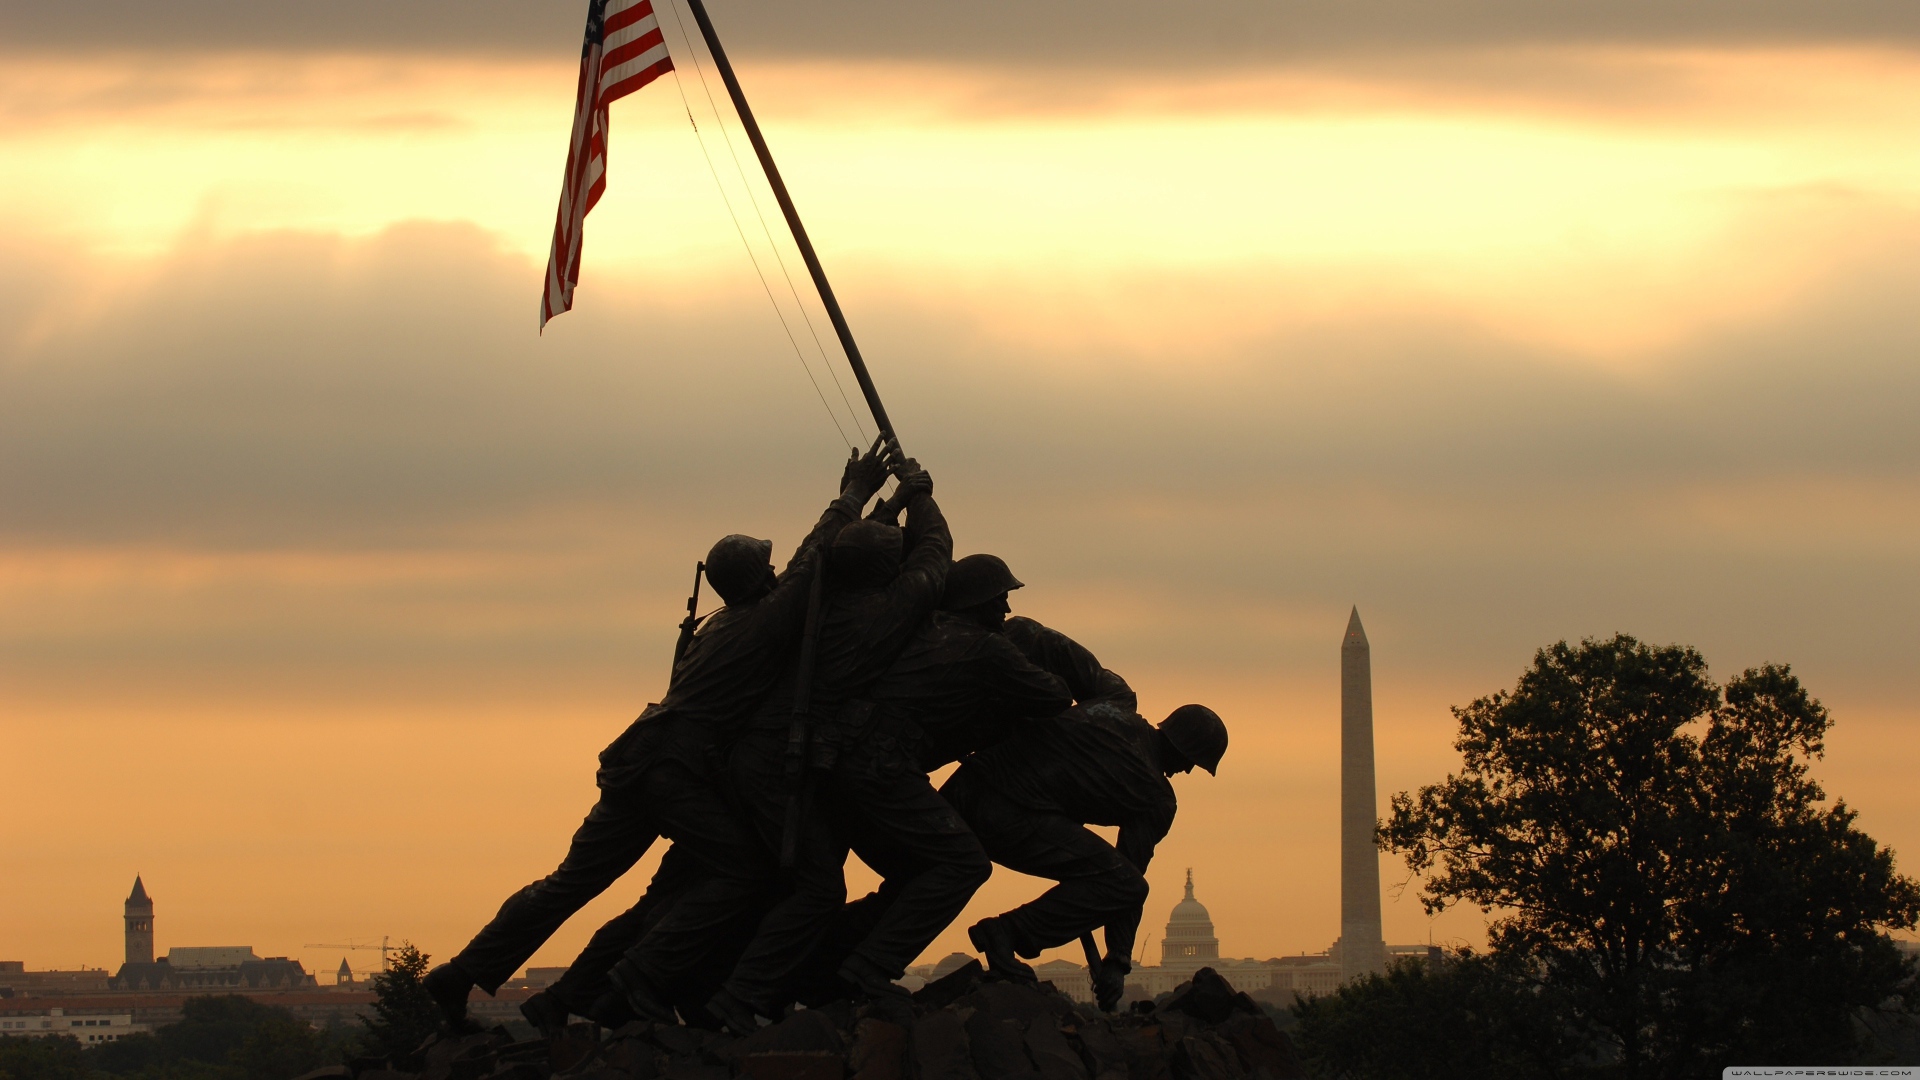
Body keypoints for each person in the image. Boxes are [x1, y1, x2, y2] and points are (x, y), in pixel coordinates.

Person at [421, 449, 892, 1031]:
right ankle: (637, 978)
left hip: (637, 758)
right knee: (742, 871)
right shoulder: (762, 621)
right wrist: (852, 493)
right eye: (766, 570)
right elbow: (811, 561)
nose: (775, 575)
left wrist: (877, 509)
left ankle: (461, 971)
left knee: (569, 883)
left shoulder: (711, 628)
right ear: (757, 579)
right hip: (676, 768)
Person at [706, 463, 964, 1033]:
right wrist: (921, 499)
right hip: (779, 759)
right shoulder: (883, 612)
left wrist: (889, 505)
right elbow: (935, 555)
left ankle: (763, 987)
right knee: (818, 887)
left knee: (797, 878)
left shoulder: (820, 601)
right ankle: (740, 996)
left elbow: (844, 552)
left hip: (758, 755)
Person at [941, 701, 1228, 1011]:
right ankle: (1006, 932)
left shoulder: (1110, 711)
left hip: (965, 785)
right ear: (1182, 747)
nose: (1186, 769)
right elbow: (1129, 878)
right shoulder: (1155, 796)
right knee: (1125, 885)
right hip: (1007, 815)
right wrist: (1118, 961)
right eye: (1191, 761)